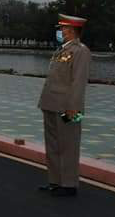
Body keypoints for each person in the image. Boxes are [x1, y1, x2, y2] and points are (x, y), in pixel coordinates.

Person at [37, 14, 91, 197]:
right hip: (51, 104)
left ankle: (69, 184)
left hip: (70, 107)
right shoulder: (61, 50)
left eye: (62, 29)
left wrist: (74, 108)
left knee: (69, 144)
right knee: (53, 144)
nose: (60, 32)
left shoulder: (81, 51)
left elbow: (78, 82)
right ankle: (55, 181)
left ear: (72, 30)